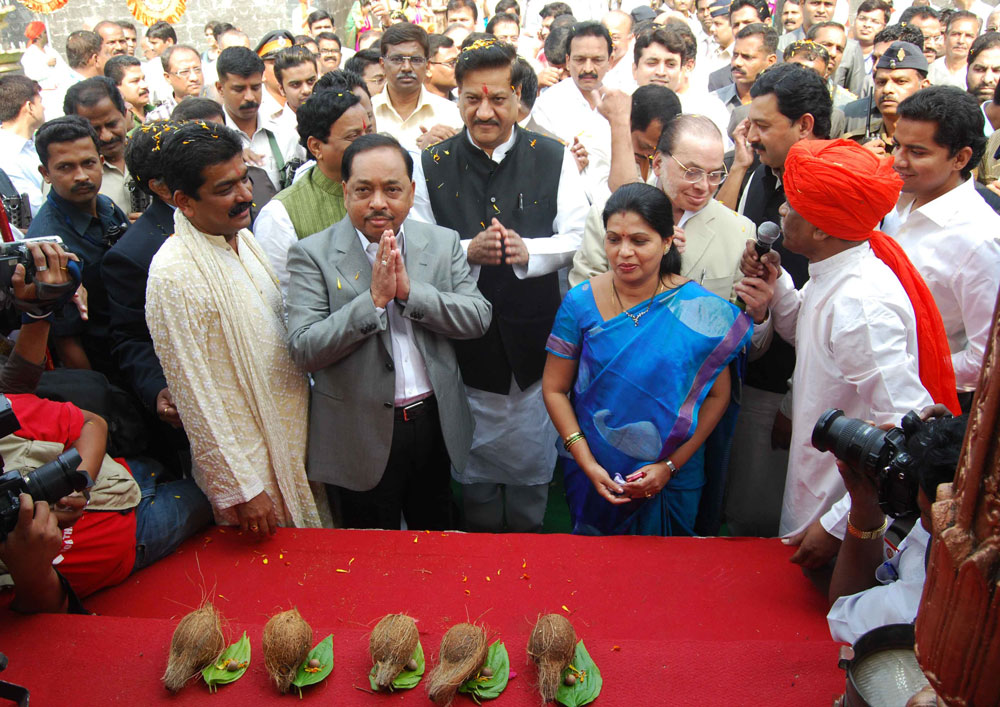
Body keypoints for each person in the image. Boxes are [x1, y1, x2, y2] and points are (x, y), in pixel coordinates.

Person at [738, 138, 959, 563]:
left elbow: (907, 433)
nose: (781, 210)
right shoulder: (837, 272)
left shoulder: (861, 304)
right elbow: (810, 338)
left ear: (822, 228)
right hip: (819, 491)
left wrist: (841, 523)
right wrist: (776, 285)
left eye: (792, 204)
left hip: (839, 514)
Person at [412, 38, 588, 532]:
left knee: (531, 475)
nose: (485, 112)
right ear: (457, 99)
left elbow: (580, 236)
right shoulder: (431, 163)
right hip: (462, 342)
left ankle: (528, 544)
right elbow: (418, 245)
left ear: (518, 98)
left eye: (498, 99)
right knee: (475, 482)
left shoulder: (552, 156)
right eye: (472, 99)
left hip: (534, 338)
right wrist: (467, 251)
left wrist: (530, 252)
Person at [285, 134, 491, 529]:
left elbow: (478, 317)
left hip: (433, 422)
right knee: (370, 548)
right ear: (345, 192)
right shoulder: (312, 254)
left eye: (392, 190)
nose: (378, 202)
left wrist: (411, 294)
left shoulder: (442, 242)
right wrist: (373, 302)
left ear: (411, 192)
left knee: (435, 536)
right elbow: (304, 348)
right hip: (357, 432)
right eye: (364, 190)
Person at [146, 120, 325, 535]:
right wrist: (240, 489)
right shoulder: (173, 273)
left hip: (294, 437)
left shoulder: (242, 239)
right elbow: (193, 393)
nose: (245, 195)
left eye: (244, 179)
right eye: (226, 188)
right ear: (184, 202)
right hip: (251, 466)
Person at [543, 183, 752, 536]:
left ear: (667, 241)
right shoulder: (580, 303)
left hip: (673, 474)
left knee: (669, 565)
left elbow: (718, 396)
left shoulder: (700, 310)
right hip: (595, 469)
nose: (624, 252)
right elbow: (554, 388)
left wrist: (670, 466)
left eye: (639, 241)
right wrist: (586, 461)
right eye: (614, 239)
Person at [717, 62, 832, 537]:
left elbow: (828, 318)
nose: (752, 136)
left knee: (780, 523)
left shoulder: (836, 189)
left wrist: (791, 401)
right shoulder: (760, 173)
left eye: (764, 126)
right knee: (743, 509)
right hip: (754, 365)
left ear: (804, 125)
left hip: (800, 388)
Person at [881, 86, 1000, 398]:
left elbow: (984, 359)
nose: (898, 161)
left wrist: (903, 369)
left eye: (917, 152)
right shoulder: (891, 204)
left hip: (920, 406)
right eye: (897, 146)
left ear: (960, 158)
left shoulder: (981, 239)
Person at [826, 410, 967, 644]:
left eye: (925, 513)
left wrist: (866, 508)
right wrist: (950, 439)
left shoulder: (915, 606)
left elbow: (846, 612)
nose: (922, 522)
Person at [26, 117, 130, 376]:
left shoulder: (107, 207)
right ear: (46, 173)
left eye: (88, 163)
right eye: (66, 167)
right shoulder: (48, 245)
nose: (81, 176)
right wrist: (101, 393)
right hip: (104, 367)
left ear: (101, 162)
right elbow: (66, 342)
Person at [254, 90, 373, 296]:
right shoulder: (280, 215)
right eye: (353, 136)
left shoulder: (391, 191)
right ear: (316, 147)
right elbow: (284, 299)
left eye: (368, 132)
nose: (368, 145)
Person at [532, 21, 615, 197]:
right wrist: (565, 166)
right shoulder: (548, 105)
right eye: (580, 60)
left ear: (610, 61)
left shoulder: (621, 102)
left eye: (597, 60)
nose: (588, 68)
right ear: (568, 61)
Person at [215, 46, 299, 192]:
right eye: (239, 89)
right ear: (220, 88)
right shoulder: (212, 137)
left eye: (255, 88)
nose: (249, 97)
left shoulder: (285, 132)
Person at [371, 23, 463, 151]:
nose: (406, 67)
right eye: (397, 59)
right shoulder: (368, 112)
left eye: (415, 60)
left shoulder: (451, 114)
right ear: (382, 64)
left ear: (427, 65)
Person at [62, 77, 136, 218]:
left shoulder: (150, 154)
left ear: (125, 114)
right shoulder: (66, 174)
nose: (106, 136)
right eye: (95, 129)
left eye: (112, 124)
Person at [841, 42, 929, 154]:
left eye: (901, 81)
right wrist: (862, 160)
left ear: (923, 87)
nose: (887, 89)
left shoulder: (938, 141)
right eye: (881, 82)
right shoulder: (854, 143)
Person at [0, 75, 45, 218]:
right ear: (30, 107)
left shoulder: (36, 142)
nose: (44, 107)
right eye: (40, 102)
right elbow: (35, 209)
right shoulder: (6, 155)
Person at [712, 23, 777, 112]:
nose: (737, 62)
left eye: (747, 57)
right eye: (735, 55)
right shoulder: (713, 102)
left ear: (770, 61)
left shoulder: (781, 104)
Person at [145, 46, 204, 122]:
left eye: (197, 70)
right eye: (184, 72)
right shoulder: (158, 118)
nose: (194, 78)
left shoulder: (216, 107)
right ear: (167, 77)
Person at [271, 46, 318, 139]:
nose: (306, 90)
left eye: (311, 81)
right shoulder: (274, 134)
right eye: (296, 84)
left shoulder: (336, 122)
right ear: (281, 89)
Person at [928, 11, 980, 89]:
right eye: (956, 34)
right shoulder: (929, 70)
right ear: (945, 37)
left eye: (968, 36)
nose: (961, 41)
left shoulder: (978, 73)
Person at [255, 30, 297, 124]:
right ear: (262, 72)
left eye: (290, 62)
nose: (285, 68)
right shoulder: (256, 111)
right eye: (275, 63)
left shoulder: (307, 103)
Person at [104, 55, 152, 129]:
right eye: (135, 81)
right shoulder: (118, 125)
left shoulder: (161, 113)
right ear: (115, 87)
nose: (144, 85)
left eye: (143, 79)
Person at [426, 34, 460, 99]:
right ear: (427, 68)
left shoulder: (462, 104)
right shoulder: (412, 104)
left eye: (459, 61)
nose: (459, 67)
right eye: (452, 63)